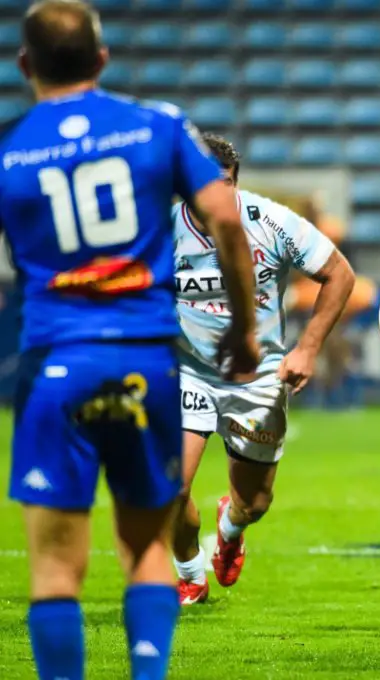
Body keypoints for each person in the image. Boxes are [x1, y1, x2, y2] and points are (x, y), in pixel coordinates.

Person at [1, 2, 258, 678]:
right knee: (145, 548)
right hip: (146, 360)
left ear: (24, 65)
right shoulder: (157, 125)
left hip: (55, 360)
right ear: (102, 58)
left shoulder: (11, 145)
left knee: (55, 565)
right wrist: (243, 330)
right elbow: (226, 220)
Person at [172, 133, 355, 605]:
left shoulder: (269, 220)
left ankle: (230, 527)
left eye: (226, 183)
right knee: (168, 487)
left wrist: (307, 349)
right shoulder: (161, 231)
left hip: (257, 378)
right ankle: (189, 573)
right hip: (187, 372)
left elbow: (339, 274)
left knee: (254, 503)